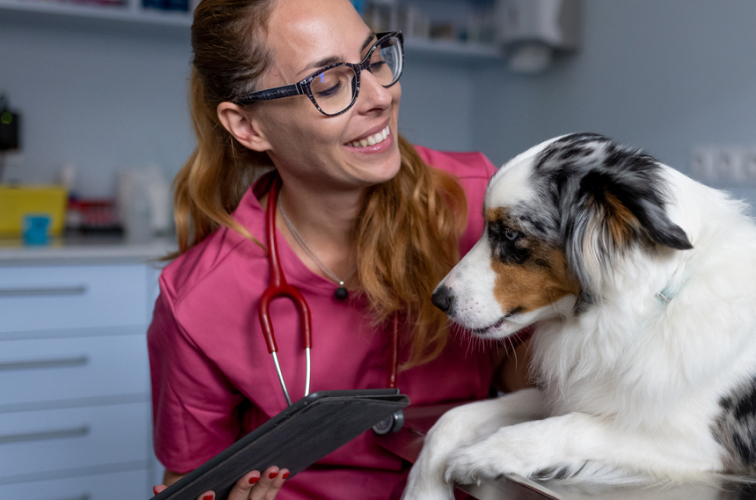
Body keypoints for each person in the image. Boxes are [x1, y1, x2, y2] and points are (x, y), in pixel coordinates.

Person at [147, 0, 528, 498]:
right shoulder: (200, 298)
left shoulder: (480, 203)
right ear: (247, 126)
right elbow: (190, 483)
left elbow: (544, 388)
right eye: (327, 83)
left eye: (375, 59)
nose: (379, 95)